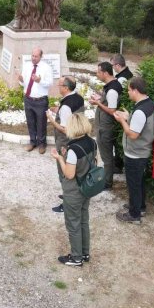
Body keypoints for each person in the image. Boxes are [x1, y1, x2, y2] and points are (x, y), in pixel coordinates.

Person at [51, 113, 97, 266]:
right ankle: (85, 253)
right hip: (87, 188)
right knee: (84, 220)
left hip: (74, 191)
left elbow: (69, 174)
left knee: (73, 224)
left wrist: (59, 158)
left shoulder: (73, 149)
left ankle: (76, 257)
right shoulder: (92, 142)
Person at [113, 77, 154, 224]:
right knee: (139, 182)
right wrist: (128, 116)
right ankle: (140, 207)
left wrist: (122, 121)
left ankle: (134, 215)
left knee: (133, 184)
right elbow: (140, 123)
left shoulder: (140, 111)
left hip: (135, 153)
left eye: (129, 90)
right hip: (142, 151)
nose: (128, 93)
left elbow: (133, 134)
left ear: (135, 90)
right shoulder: (148, 103)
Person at [47, 76, 85, 213]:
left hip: (65, 142)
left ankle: (68, 203)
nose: (58, 87)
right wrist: (59, 109)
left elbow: (64, 128)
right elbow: (72, 115)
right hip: (78, 138)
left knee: (65, 172)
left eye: (60, 85)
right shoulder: (78, 98)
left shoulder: (66, 106)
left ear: (66, 88)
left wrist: (51, 119)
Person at [89, 62, 122, 189]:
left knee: (106, 156)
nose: (97, 75)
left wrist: (98, 103)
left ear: (105, 73)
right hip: (106, 125)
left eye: (98, 72)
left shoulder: (112, 90)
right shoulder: (112, 85)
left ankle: (107, 182)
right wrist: (100, 99)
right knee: (107, 155)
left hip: (106, 126)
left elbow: (112, 110)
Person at [19, 47, 53, 154]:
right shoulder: (27, 66)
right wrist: (21, 80)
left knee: (41, 123)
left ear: (41, 56)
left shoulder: (46, 68)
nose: (33, 58)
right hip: (28, 99)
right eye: (32, 56)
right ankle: (32, 142)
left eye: (36, 56)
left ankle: (42, 144)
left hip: (40, 100)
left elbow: (50, 83)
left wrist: (40, 81)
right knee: (30, 122)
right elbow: (25, 83)